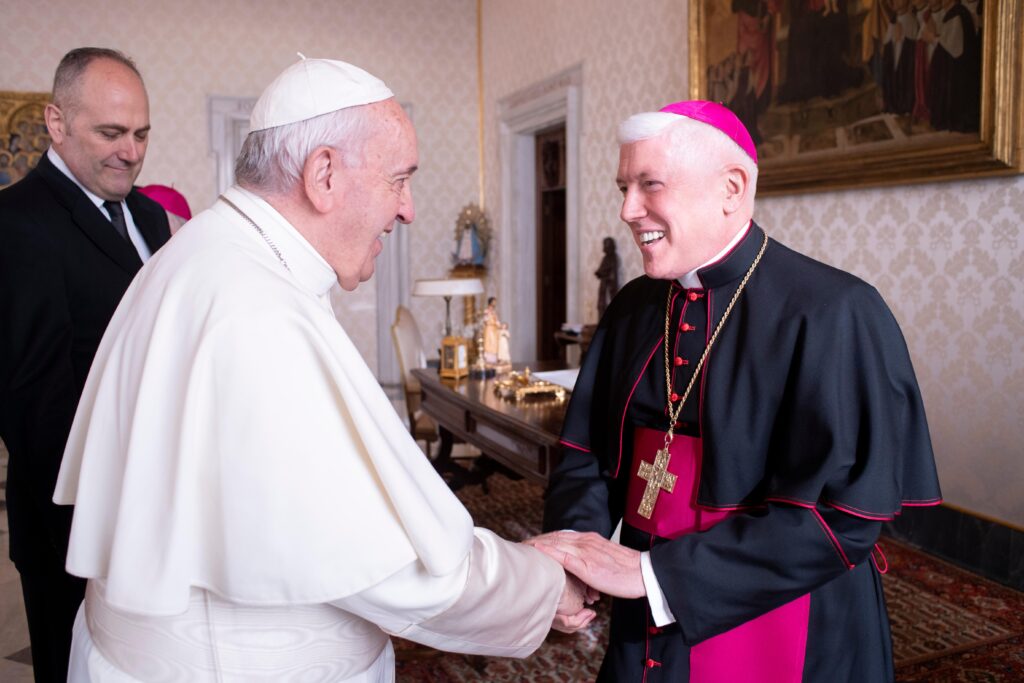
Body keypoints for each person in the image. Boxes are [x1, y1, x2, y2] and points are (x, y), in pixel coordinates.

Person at [52, 56, 594, 682]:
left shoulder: (209, 255)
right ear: (325, 174)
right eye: (399, 180)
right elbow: (384, 564)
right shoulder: (255, 309)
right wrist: (543, 584)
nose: (409, 209)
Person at [533, 101, 941, 681]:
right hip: (645, 611)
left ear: (731, 187)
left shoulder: (834, 313)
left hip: (790, 624)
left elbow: (842, 517)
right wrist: (577, 559)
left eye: (650, 185)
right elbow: (586, 456)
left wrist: (655, 577)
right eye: (624, 187)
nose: (627, 210)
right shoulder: (633, 308)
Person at [0, 47, 170, 683]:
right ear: (56, 123)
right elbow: (32, 406)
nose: (131, 151)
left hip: (148, 509)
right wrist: (102, 521)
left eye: (142, 134)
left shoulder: (149, 215)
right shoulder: (16, 223)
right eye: (111, 133)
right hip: (70, 522)